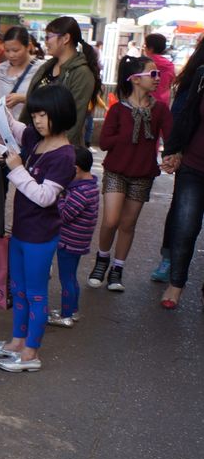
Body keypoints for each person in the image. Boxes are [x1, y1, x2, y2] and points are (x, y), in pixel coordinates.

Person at [0, 83, 79, 372]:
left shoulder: (64, 156)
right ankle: (16, 342)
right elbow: (13, 126)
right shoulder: (36, 139)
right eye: (35, 114)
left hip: (40, 236)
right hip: (22, 231)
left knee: (36, 294)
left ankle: (30, 353)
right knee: (19, 290)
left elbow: (44, 197)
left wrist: (17, 169)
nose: (36, 121)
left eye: (42, 115)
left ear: (59, 115)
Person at [84, 55, 173, 292]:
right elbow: (104, 142)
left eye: (158, 74)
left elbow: (170, 138)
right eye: (152, 74)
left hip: (143, 174)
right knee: (111, 220)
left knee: (128, 223)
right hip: (116, 172)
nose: (157, 79)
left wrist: (172, 156)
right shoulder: (117, 110)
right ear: (135, 79)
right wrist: (126, 135)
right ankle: (102, 259)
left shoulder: (161, 109)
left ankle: (118, 268)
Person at [158, 49, 204, 309]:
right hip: (194, 165)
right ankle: (176, 284)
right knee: (185, 226)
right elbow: (187, 116)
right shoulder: (202, 75)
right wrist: (174, 150)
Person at [25, 16, 103, 148]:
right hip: (35, 145)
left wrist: (52, 150)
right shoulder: (46, 67)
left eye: (48, 37)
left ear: (65, 38)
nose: (45, 42)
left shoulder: (82, 74)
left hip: (57, 150)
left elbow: (74, 123)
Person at [48, 147, 99, 328]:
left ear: (75, 169)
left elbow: (65, 214)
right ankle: (72, 310)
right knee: (71, 277)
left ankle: (66, 315)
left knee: (67, 279)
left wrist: (59, 196)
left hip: (70, 242)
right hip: (78, 241)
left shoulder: (80, 192)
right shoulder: (89, 186)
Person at [0, 26, 40, 118]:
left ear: (28, 46)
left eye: (16, 50)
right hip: (1, 128)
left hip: (27, 128)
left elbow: (50, 102)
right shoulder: (0, 69)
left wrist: (23, 98)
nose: (11, 55)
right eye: (7, 50)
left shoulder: (41, 69)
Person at [143, 33, 175, 109]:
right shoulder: (170, 65)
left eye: (145, 46)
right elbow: (171, 82)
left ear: (150, 49)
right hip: (163, 103)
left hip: (145, 103)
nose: (144, 48)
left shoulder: (144, 63)